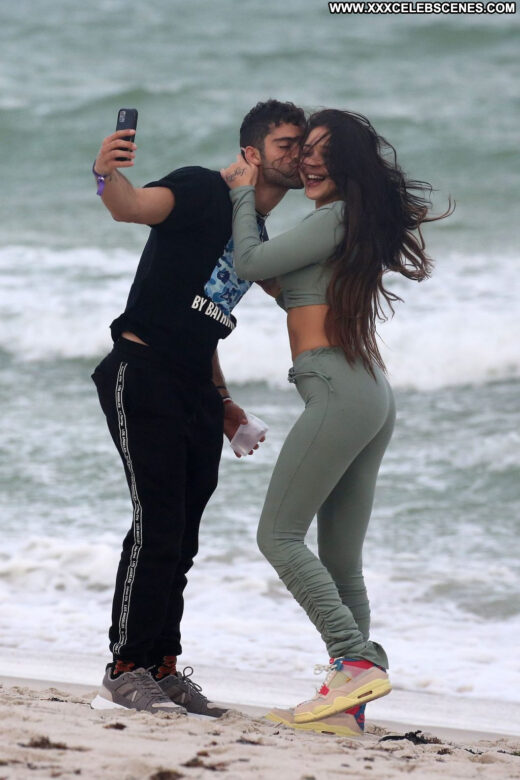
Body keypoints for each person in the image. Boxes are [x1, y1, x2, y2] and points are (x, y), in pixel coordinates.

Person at [221, 108, 451, 736]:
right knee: (342, 561)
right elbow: (282, 284)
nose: (310, 161)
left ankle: (353, 660)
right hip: (368, 394)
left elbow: (249, 263)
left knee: (278, 536)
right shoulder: (344, 223)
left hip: (338, 388)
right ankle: (347, 707)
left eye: (324, 151)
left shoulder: (335, 217)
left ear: (347, 164)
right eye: (306, 150)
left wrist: (242, 194)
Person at [89, 100, 306, 715]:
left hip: (195, 389)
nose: (297, 154)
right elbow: (130, 206)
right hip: (143, 372)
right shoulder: (200, 189)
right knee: (156, 524)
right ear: (251, 153)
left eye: (302, 145)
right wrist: (105, 172)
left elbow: (204, 325)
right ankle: (123, 670)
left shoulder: (253, 238)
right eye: (285, 144)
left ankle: (161, 668)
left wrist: (226, 403)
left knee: (182, 537)